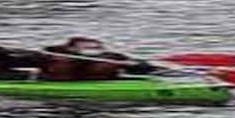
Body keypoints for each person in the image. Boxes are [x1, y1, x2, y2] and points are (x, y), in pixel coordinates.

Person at [21, 36, 157, 83]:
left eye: (96, 48)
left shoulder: (111, 58)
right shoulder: (52, 56)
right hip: (55, 82)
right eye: (87, 48)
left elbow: (137, 65)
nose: (93, 50)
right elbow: (24, 60)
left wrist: (144, 66)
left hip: (100, 82)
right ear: (71, 48)